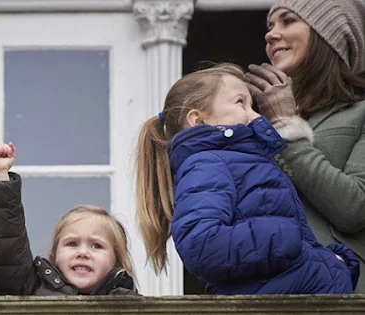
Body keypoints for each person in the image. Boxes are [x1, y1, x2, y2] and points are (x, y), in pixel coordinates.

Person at [135, 63, 358, 294]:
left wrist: (330, 263)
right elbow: (202, 245)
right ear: (198, 120)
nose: (256, 115)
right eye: (240, 102)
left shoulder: (245, 161)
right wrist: (284, 236)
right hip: (258, 314)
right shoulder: (206, 165)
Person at [245, 0, 365, 292]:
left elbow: (354, 207)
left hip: (340, 300)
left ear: (331, 37)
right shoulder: (256, 122)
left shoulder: (360, 113)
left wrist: (287, 128)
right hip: (264, 294)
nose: (271, 34)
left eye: (288, 21)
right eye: (271, 26)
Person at [0, 142, 137, 296]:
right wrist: (0, 174)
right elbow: (8, 245)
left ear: (117, 262)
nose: (82, 253)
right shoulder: (32, 287)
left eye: (96, 246)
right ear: (54, 257)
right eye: (72, 244)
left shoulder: (126, 302)